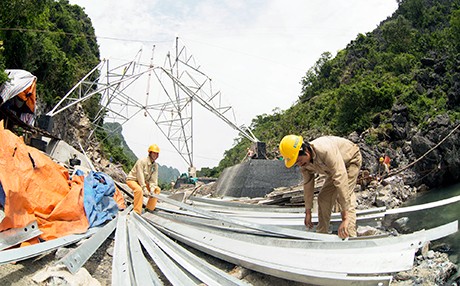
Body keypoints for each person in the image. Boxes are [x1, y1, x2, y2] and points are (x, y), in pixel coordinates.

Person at [279, 135, 362, 239]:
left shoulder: (325, 150)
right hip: (334, 168)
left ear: (305, 151)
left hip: (350, 161)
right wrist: (308, 212)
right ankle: (322, 233)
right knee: (323, 198)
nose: (299, 164)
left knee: (345, 197)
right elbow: (308, 186)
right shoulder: (305, 164)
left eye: (299, 160)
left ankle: (350, 235)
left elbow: (340, 180)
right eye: (296, 163)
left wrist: (345, 218)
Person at [126, 144, 161, 214]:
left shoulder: (155, 166)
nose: (156, 155)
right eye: (154, 153)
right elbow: (140, 175)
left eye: (157, 154)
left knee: (157, 190)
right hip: (132, 180)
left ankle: (149, 209)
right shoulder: (142, 161)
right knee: (139, 190)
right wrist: (144, 189)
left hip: (143, 182)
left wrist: (151, 190)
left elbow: (153, 180)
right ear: (150, 153)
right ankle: (137, 211)